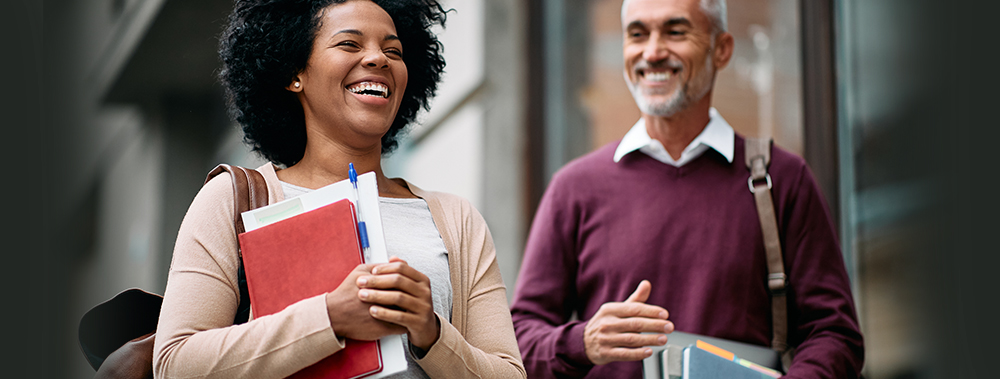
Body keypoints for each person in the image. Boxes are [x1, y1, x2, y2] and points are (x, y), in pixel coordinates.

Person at [152, 0, 526, 378]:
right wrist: (330, 317)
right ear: (294, 71)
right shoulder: (231, 199)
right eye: (350, 44)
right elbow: (175, 364)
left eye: (393, 50)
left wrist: (431, 333)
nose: (379, 59)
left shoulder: (456, 218)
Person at [509, 0, 864, 377]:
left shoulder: (783, 179)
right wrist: (582, 342)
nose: (653, 52)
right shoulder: (574, 188)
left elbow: (834, 333)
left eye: (675, 32)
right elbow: (517, 342)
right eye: (637, 34)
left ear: (721, 48)